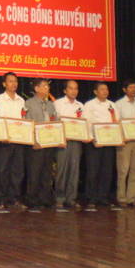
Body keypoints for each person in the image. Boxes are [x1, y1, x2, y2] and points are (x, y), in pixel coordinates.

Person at [84, 82, 119, 211]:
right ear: (95, 92)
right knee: (93, 171)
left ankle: (103, 197)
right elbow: (87, 123)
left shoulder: (112, 105)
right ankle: (91, 198)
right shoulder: (89, 105)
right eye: (102, 89)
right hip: (94, 142)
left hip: (109, 142)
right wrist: (92, 138)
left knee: (107, 171)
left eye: (106, 89)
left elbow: (117, 122)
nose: (105, 91)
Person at [24, 78, 57, 212]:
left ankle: (45, 199)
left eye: (47, 86)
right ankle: (32, 200)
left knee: (46, 173)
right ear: (36, 88)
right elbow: (27, 123)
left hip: (49, 144)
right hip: (36, 144)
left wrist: (57, 139)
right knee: (34, 172)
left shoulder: (51, 105)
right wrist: (33, 140)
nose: (47, 88)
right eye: (44, 86)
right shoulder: (29, 103)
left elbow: (56, 122)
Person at [114, 79, 135, 208]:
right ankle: (121, 198)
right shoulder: (119, 104)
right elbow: (115, 122)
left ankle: (132, 198)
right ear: (124, 89)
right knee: (123, 170)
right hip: (125, 141)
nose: (134, 90)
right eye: (131, 87)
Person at [0, 72, 26, 212]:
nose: (14, 84)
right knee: (3, 170)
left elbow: (23, 120)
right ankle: (1, 199)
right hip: (5, 140)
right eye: (10, 81)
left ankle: (14, 199)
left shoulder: (21, 100)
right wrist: (3, 134)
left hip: (19, 140)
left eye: (15, 81)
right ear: (4, 84)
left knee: (17, 171)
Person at [53, 80, 84, 211]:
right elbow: (54, 122)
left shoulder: (80, 105)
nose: (74, 91)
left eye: (76, 88)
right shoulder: (58, 104)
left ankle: (71, 199)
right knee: (62, 170)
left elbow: (84, 124)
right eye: (71, 88)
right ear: (65, 90)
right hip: (62, 141)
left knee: (74, 171)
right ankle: (59, 198)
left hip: (76, 142)